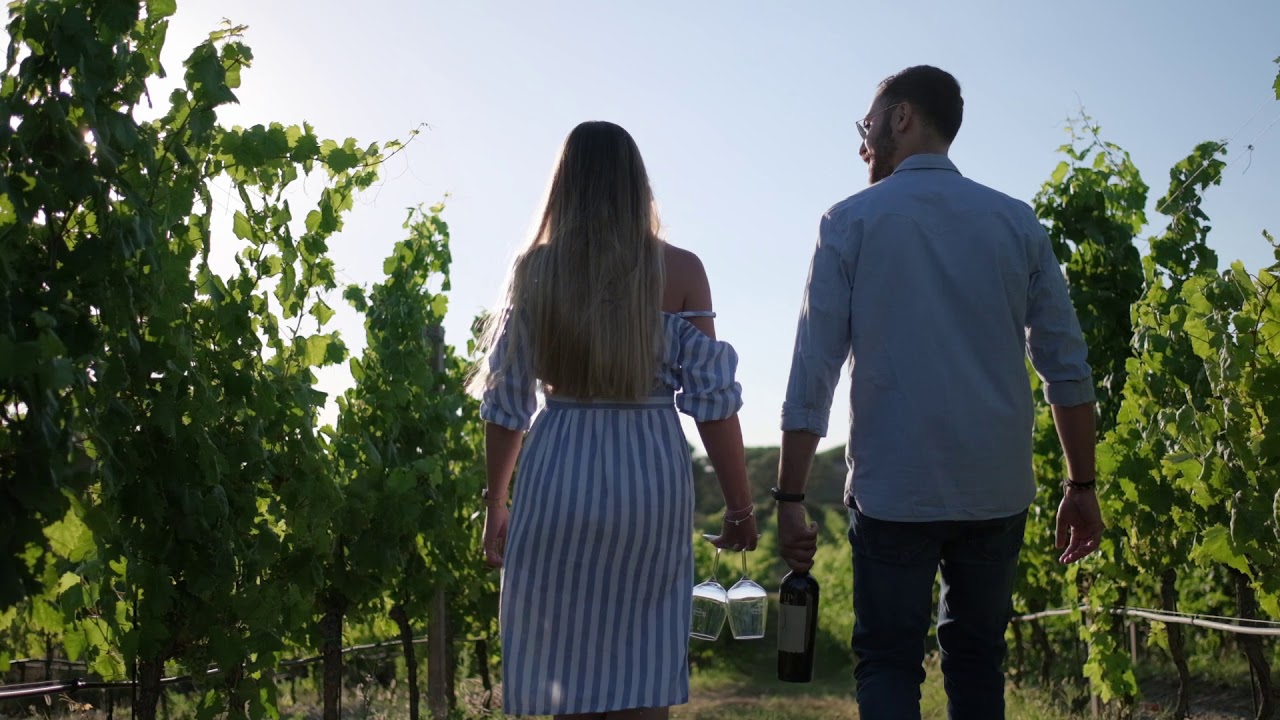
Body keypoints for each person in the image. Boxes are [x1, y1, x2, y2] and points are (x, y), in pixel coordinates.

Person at [773, 65, 1105, 719]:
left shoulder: (849, 221)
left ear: (901, 118)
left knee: (888, 662)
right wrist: (1082, 485)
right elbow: (1066, 368)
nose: (862, 143)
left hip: (893, 492)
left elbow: (813, 373)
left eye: (868, 124)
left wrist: (788, 497)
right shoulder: (1017, 223)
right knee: (978, 661)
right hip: (995, 491)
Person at [472, 120, 758, 720]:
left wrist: (496, 501)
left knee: (563, 661)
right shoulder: (681, 271)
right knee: (643, 663)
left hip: (558, 470)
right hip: (648, 477)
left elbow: (508, 402)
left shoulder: (536, 271)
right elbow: (714, 403)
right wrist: (739, 506)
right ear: (637, 184)